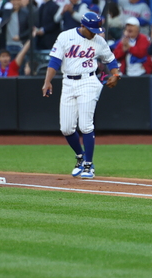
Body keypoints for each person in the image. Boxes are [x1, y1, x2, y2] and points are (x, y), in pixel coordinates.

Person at [42, 12, 121, 179]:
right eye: (91, 29)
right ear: (83, 25)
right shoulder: (66, 36)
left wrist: (116, 74)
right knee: (66, 127)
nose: (94, 32)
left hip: (89, 81)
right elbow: (55, 61)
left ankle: (88, 164)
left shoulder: (99, 41)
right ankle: (80, 156)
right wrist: (47, 81)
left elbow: (111, 60)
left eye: (96, 29)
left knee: (85, 125)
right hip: (68, 82)